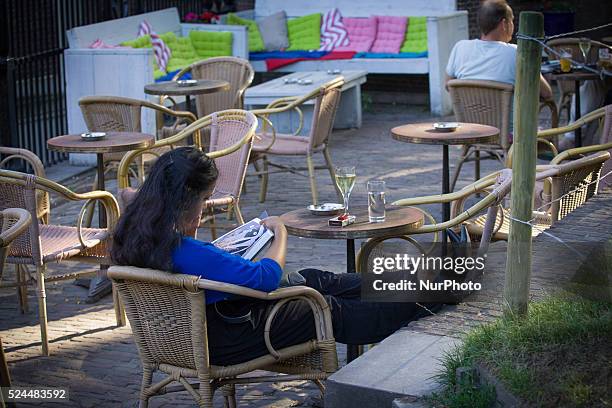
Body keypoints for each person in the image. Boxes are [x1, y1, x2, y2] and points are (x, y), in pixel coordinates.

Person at [111, 147, 439, 365]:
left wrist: (186, 221)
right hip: (227, 338)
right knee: (323, 306)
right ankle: (431, 294)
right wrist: (278, 230)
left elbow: (129, 195)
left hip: (191, 335)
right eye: (205, 200)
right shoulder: (186, 251)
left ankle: (414, 282)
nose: (204, 209)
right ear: (185, 200)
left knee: (315, 279)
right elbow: (265, 277)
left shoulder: (137, 234)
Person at [445, 0, 553, 101]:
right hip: (507, 121)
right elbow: (546, 93)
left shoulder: (460, 47)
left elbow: (448, 85)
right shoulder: (517, 53)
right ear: (504, 24)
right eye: (512, 20)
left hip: (468, 121)